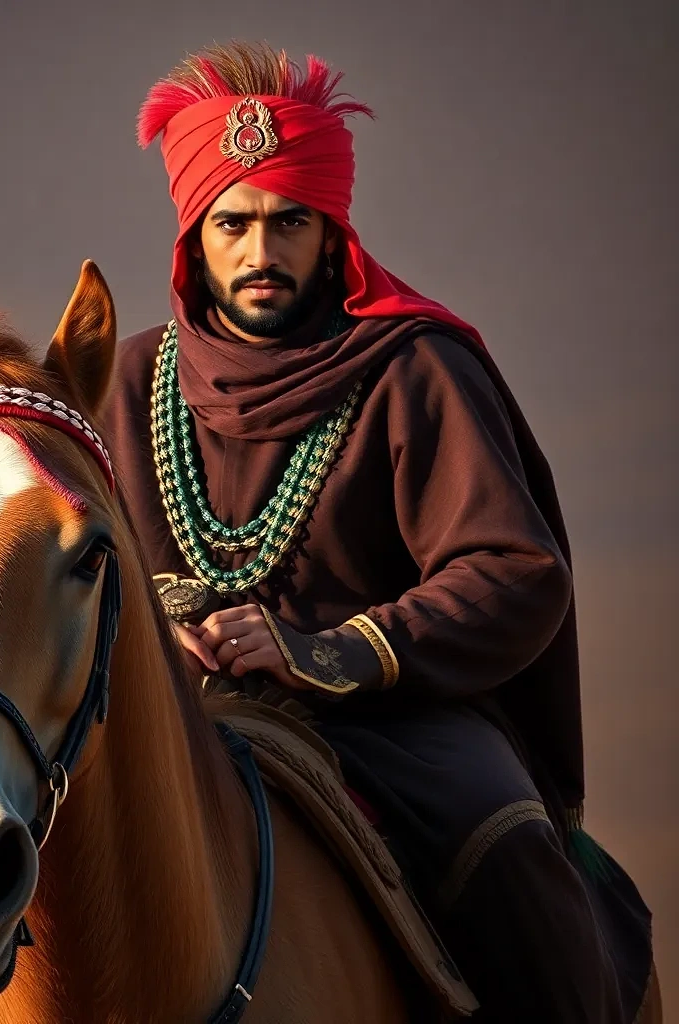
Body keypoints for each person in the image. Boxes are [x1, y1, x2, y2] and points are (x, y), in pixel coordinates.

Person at [101, 41, 653, 1022]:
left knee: (506, 844)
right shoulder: (124, 379)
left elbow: (515, 570)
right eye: (232, 223)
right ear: (194, 237)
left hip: (391, 720)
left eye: (289, 221)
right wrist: (161, 626)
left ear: (330, 233)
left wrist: (324, 650)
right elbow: (75, 565)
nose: (260, 253)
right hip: (177, 709)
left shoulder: (413, 366)